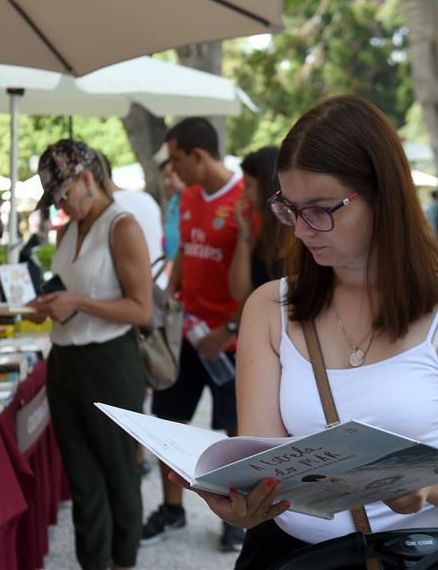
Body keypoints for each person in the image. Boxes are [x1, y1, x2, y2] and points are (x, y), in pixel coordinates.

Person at [168, 96, 438, 569]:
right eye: (288, 208)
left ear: (382, 194)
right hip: (287, 558)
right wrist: (243, 501)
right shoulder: (270, 308)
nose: (301, 230)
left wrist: (423, 484)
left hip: (409, 557)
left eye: (320, 209)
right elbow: (259, 461)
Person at [25, 139, 152, 570]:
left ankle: (123, 561)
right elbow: (68, 291)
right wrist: (51, 306)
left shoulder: (122, 225)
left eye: (63, 194)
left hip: (110, 363)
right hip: (65, 364)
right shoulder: (69, 230)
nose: (61, 205)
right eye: (55, 198)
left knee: (119, 473)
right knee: (82, 479)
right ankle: (93, 562)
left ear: (86, 178)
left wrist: (79, 303)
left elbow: (141, 308)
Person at [143, 117, 247, 552]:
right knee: (168, 422)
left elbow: (253, 278)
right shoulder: (185, 198)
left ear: (198, 155)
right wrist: (166, 303)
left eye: (176, 158)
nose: (172, 168)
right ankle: (172, 509)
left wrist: (228, 329)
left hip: (231, 342)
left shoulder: (244, 200)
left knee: (237, 434)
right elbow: (184, 255)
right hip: (186, 334)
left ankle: (238, 518)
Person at [230, 146, 284, 303]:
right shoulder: (262, 231)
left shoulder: (294, 234)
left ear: (266, 186)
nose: (244, 194)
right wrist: (243, 234)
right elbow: (239, 292)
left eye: (248, 185)